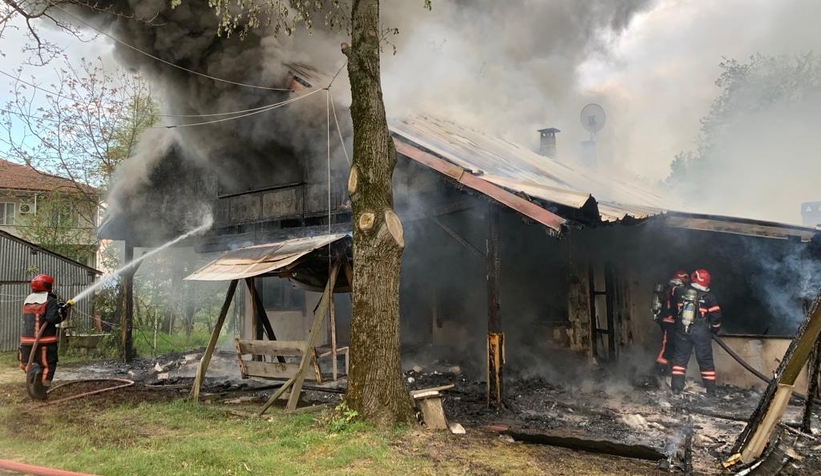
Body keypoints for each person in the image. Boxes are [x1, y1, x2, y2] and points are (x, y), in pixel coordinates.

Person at [18, 274, 71, 400]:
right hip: (45, 342)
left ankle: (33, 371)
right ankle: (40, 391)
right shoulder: (49, 300)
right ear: (48, 286)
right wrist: (62, 313)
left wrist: (58, 309)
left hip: (27, 342)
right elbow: (52, 319)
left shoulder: (28, 299)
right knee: (48, 366)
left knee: (26, 363)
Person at [670, 269, 722, 396]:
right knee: (705, 360)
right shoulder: (710, 297)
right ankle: (711, 390)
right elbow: (716, 317)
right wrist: (714, 330)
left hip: (682, 329)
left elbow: (673, 309)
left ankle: (676, 388)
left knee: (680, 359)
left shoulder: (681, 292)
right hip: (701, 331)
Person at [653, 270, 690, 375]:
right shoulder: (678, 290)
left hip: (669, 322)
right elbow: (679, 307)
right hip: (671, 322)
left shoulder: (668, 289)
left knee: (673, 347)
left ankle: (669, 372)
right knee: (667, 347)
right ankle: (658, 371)